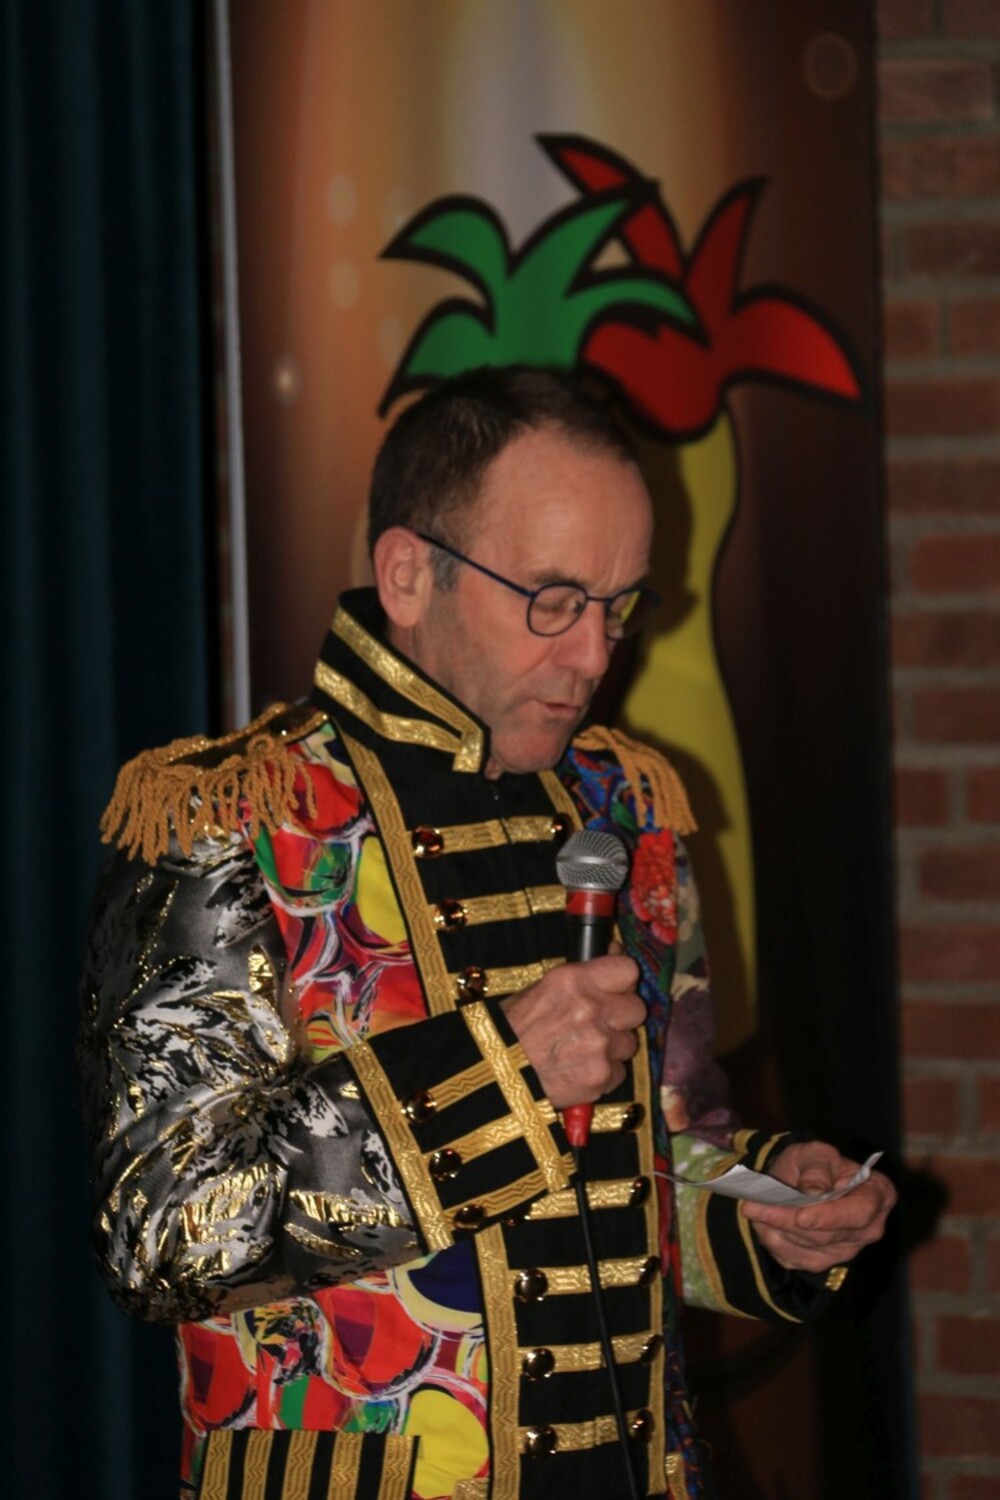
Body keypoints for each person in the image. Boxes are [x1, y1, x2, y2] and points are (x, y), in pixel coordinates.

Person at [79, 368, 895, 1500]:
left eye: (618, 606)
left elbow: (660, 1158)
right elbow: (164, 1236)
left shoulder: (625, 808)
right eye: (553, 599)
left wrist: (770, 1212)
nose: (595, 655)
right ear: (409, 574)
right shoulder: (230, 818)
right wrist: (498, 1072)